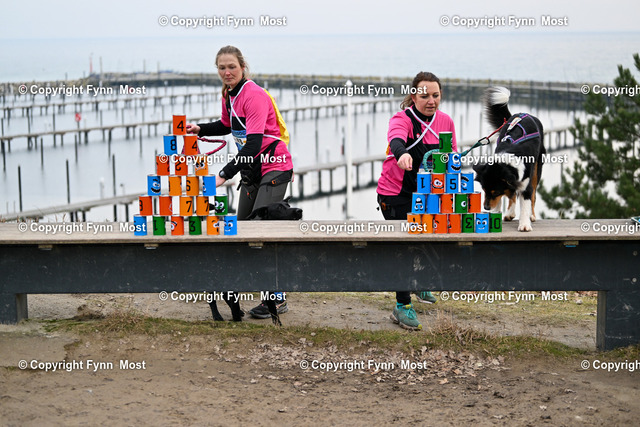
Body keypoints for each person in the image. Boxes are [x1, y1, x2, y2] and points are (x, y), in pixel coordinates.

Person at [186, 45, 291, 320]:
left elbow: (253, 144)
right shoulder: (228, 95)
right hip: (251, 170)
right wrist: (200, 129)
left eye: (232, 66)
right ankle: (239, 291)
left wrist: (224, 173)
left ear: (242, 67)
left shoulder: (253, 95)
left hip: (274, 165)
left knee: (262, 229)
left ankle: (277, 298)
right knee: (241, 229)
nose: (227, 72)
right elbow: (226, 125)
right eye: (222, 68)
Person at [376, 71, 457, 330]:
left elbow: (451, 153)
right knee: (405, 246)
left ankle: (419, 283)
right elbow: (396, 140)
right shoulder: (403, 119)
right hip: (395, 194)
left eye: (435, 95)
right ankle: (402, 306)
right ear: (414, 96)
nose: (431, 101)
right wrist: (401, 154)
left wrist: (455, 165)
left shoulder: (445, 121)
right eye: (425, 96)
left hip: (427, 194)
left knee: (426, 238)